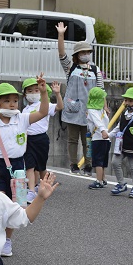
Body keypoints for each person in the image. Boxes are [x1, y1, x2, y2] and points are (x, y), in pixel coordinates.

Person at [0, 76, 49, 256]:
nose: (12, 104)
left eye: (15, 100)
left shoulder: (22, 119)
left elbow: (42, 112)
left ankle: (6, 240)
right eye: (7, 100)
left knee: (15, 206)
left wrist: (43, 92)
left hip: (19, 168)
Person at [56, 22, 106, 176]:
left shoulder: (95, 69)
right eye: (83, 52)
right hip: (73, 108)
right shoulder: (70, 67)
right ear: (77, 55)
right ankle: (73, 164)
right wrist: (61, 34)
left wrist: (104, 106)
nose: (86, 54)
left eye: (88, 52)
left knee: (88, 139)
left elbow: (101, 90)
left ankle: (88, 165)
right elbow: (61, 54)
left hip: (90, 110)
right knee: (72, 139)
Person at [22, 78, 64, 202]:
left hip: (41, 139)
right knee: (29, 165)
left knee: (41, 166)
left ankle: (45, 183)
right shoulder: (24, 110)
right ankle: (31, 191)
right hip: (28, 140)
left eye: (36, 90)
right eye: (30, 91)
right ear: (25, 94)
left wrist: (57, 93)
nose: (33, 93)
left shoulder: (44, 105)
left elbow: (60, 107)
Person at [108, 87, 133, 199]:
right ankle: (121, 184)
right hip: (121, 146)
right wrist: (109, 135)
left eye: (130, 101)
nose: (127, 103)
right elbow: (118, 127)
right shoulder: (124, 114)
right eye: (126, 100)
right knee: (115, 162)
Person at [86, 87, 111, 189]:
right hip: (106, 140)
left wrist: (102, 131)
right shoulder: (102, 110)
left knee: (97, 161)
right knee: (103, 161)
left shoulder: (92, 110)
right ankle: (104, 179)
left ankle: (98, 181)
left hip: (98, 138)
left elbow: (97, 121)